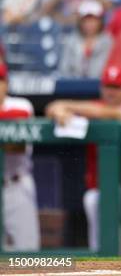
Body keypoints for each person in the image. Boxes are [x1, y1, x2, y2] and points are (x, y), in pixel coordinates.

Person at [45, 65, 121, 251]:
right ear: (102, 89)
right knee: (93, 201)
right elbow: (50, 108)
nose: (111, 93)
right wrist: (59, 111)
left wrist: (68, 106)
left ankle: (120, 258)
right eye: (108, 87)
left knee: (113, 216)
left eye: (117, 88)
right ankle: (102, 259)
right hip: (100, 188)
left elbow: (115, 114)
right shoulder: (94, 107)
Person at [0, 63, 40, 251]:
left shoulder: (21, 105)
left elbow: (16, 145)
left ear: (7, 84)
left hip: (15, 186)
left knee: (28, 256)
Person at [59, 0, 113, 78]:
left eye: (93, 19)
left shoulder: (108, 41)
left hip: (99, 86)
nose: (89, 23)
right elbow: (64, 69)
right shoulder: (71, 40)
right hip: (73, 86)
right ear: (80, 21)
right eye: (86, 19)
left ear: (100, 21)